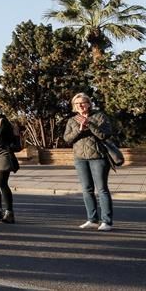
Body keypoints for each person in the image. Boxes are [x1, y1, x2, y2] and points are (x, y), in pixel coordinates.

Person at [64, 93, 114, 231]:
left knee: (102, 189)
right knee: (87, 190)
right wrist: (79, 130)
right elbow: (67, 139)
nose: (80, 105)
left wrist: (89, 125)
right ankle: (92, 220)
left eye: (83, 102)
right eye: (77, 103)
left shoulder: (99, 116)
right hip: (80, 159)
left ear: (89, 103)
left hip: (98, 157)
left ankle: (107, 222)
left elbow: (105, 134)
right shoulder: (72, 120)